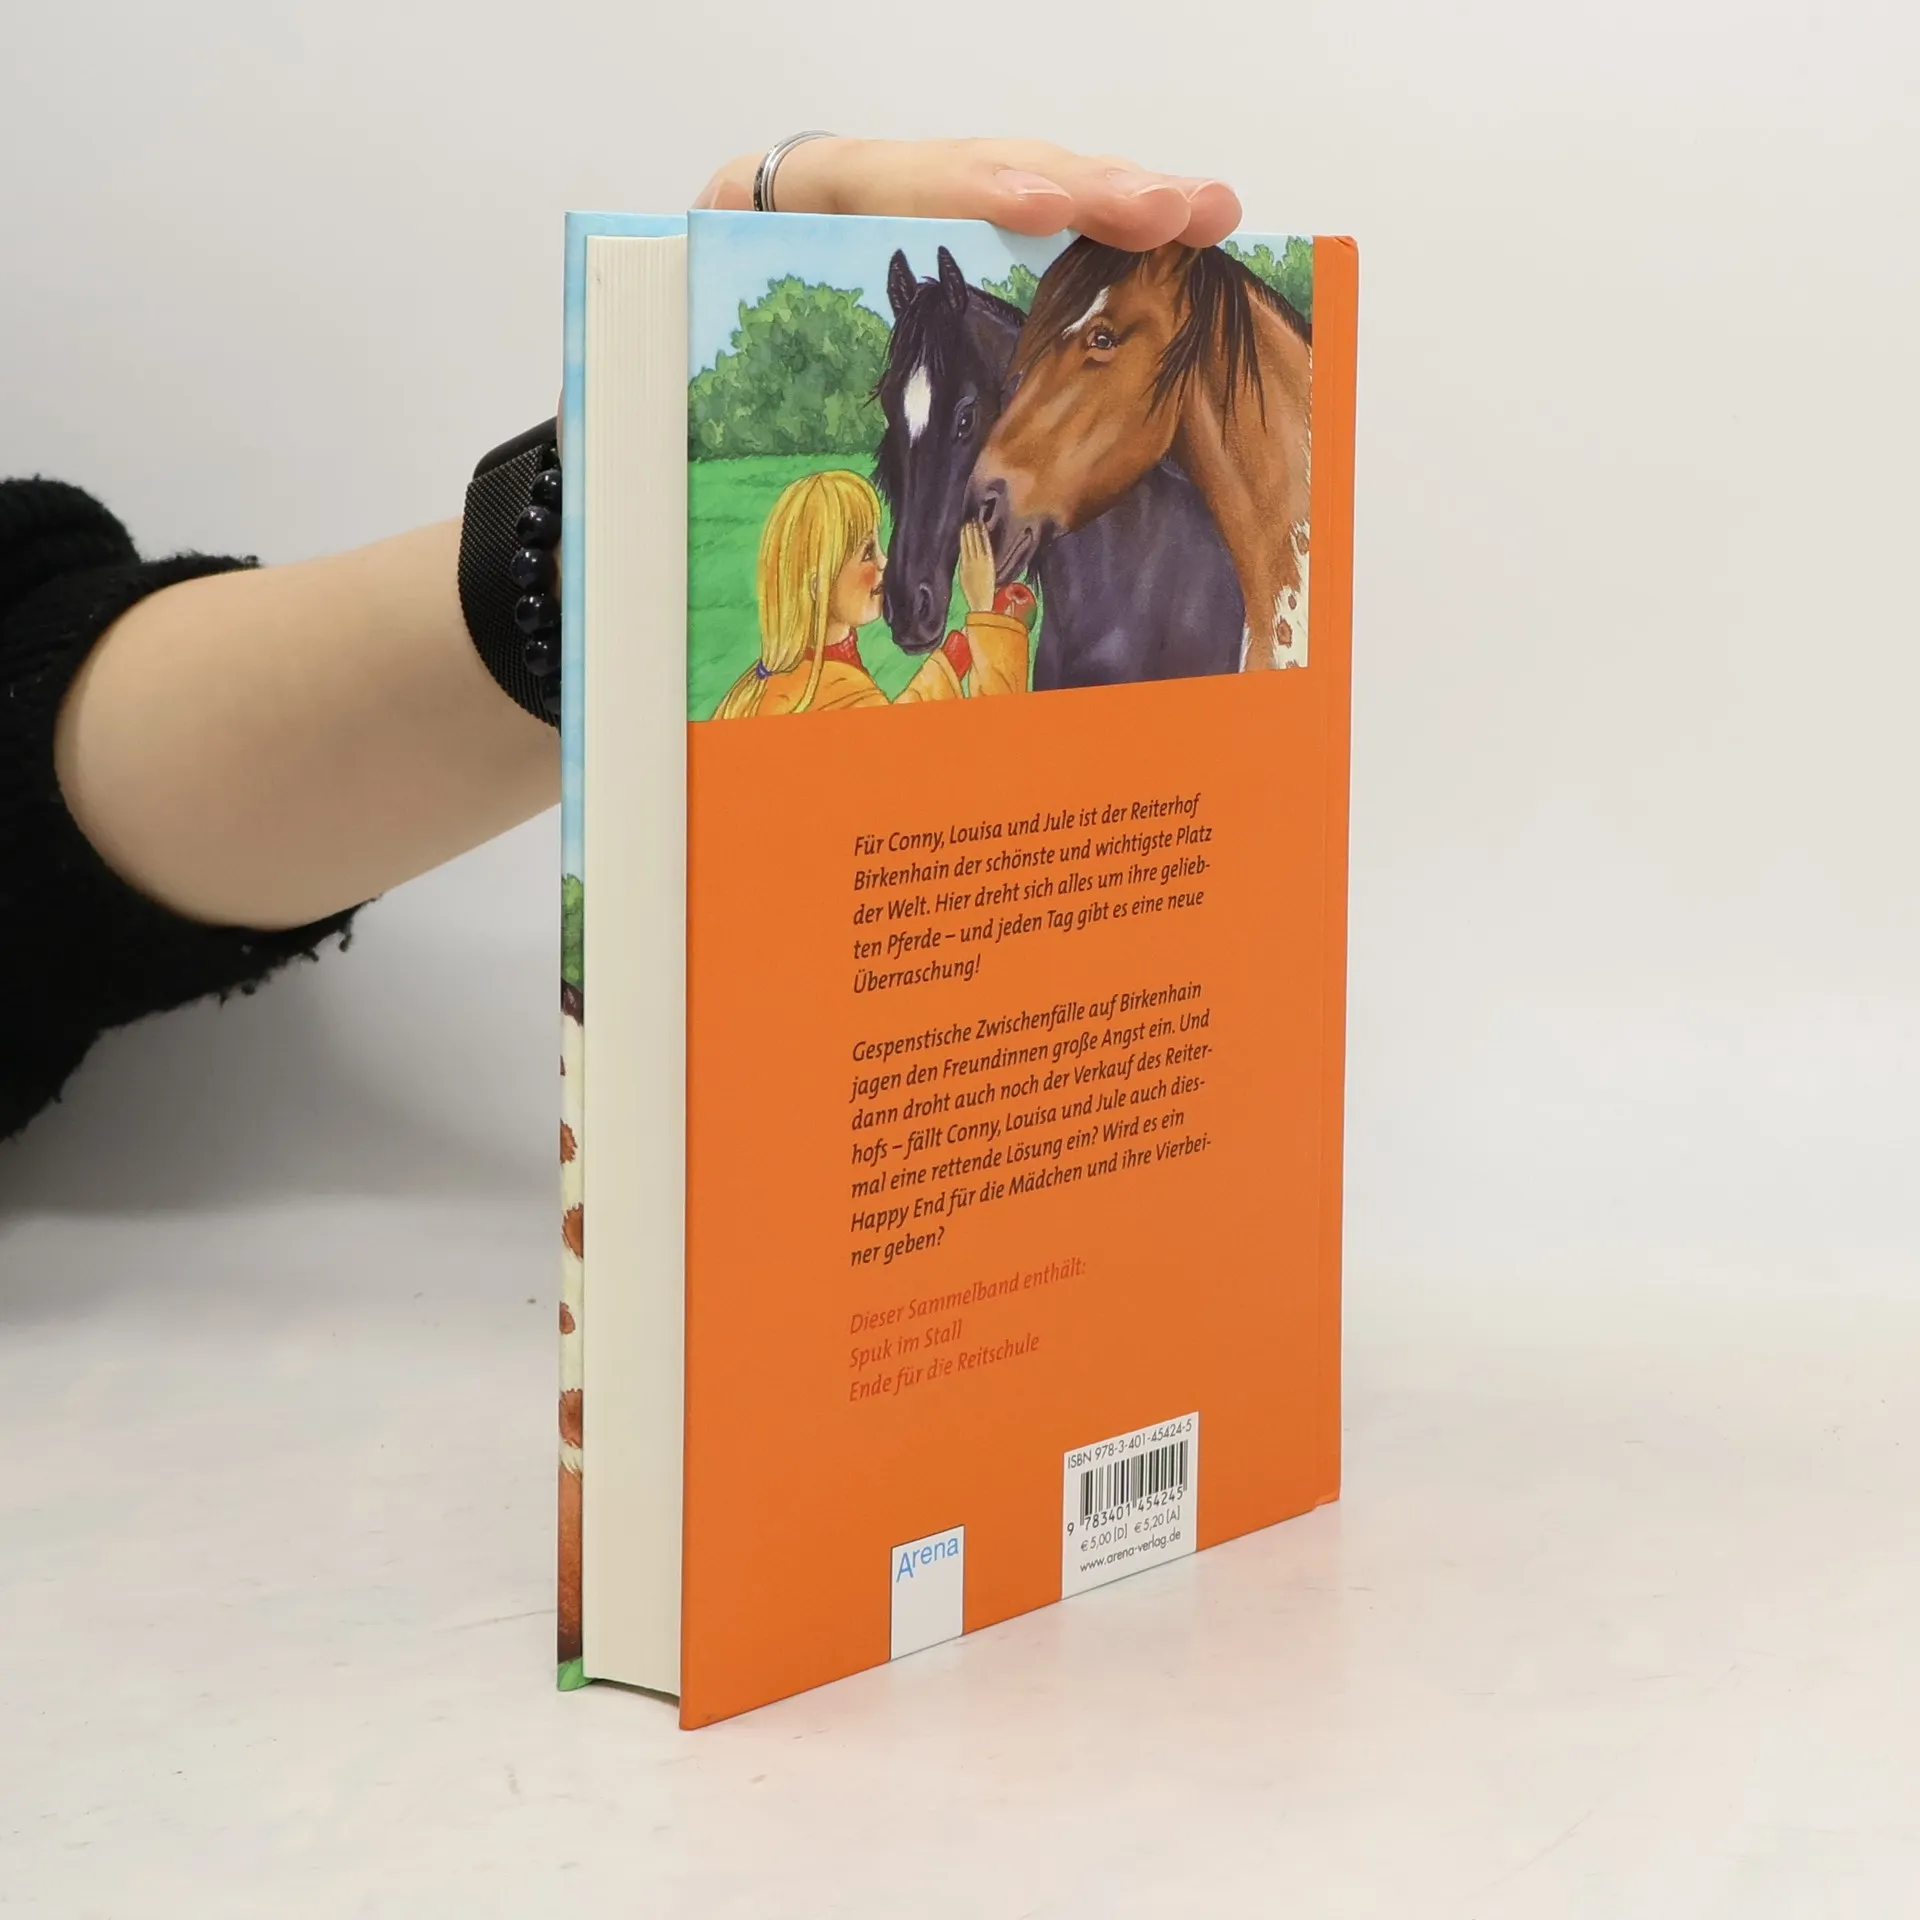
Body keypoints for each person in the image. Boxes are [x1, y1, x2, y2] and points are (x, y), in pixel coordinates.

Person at [0, 137, 1242, 1141]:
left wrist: (574, 569)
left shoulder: (773, 689)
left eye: (877, 546)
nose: (880, 567)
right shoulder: (827, 705)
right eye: (861, 548)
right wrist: (994, 622)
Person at [714, 476, 1029, 717]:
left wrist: (952, 657)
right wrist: (984, 613)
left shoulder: (760, 688)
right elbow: (996, 742)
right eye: (867, 553)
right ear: (818, 586)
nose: (883, 562)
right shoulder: (840, 696)